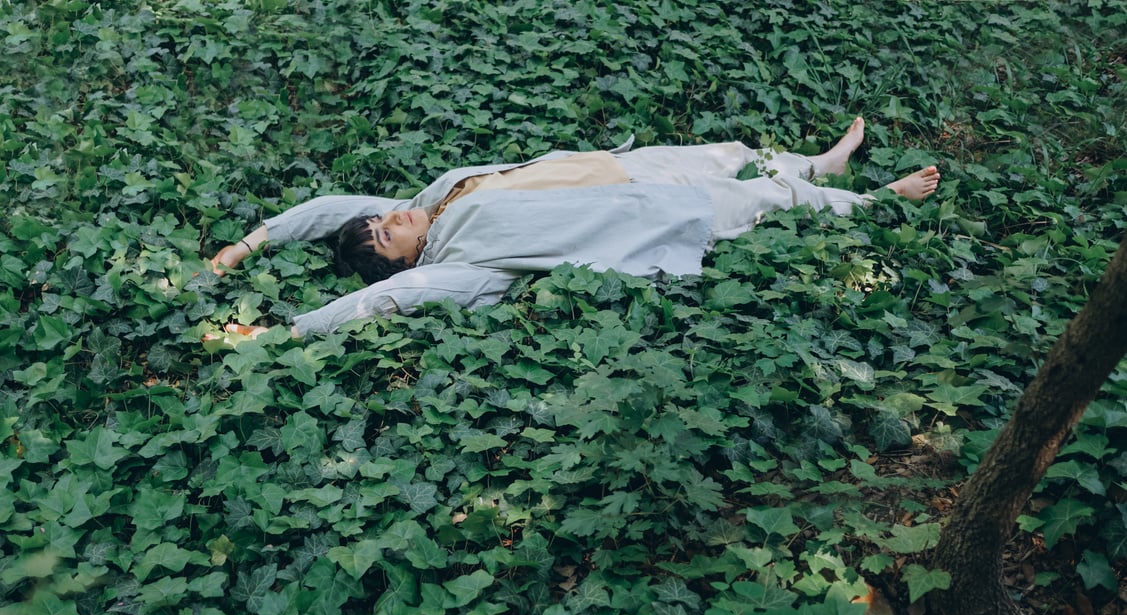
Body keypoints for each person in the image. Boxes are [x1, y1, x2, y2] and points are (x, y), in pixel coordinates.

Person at [208, 118, 939, 338]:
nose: (393, 218)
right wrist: (286, 331)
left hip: (623, 170)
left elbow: (336, 206)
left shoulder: (433, 197)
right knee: (763, 201)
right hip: (644, 215)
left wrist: (249, 243)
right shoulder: (462, 261)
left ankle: (822, 161)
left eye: (384, 218)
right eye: (391, 236)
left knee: (732, 154)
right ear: (409, 259)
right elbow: (384, 300)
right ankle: (879, 199)